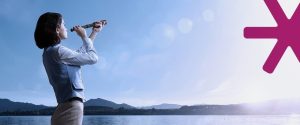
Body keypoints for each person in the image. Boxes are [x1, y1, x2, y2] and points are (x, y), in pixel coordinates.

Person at [34, 12, 103, 125]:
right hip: (71, 108)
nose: (66, 28)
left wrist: (94, 33)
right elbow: (93, 58)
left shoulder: (49, 52)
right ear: (57, 29)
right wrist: (84, 36)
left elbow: (80, 54)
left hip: (64, 107)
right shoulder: (58, 51)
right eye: (64, 25)